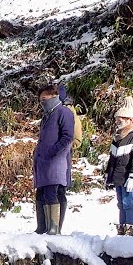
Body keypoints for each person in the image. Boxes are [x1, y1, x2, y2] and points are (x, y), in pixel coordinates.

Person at [34, 84, 75, 235]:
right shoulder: (46, 116)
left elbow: (68, 137)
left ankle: (54, 228)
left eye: (44, 98)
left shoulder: (63, 112)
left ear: (54, 96)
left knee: (54, 192)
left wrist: (53, 152)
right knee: (42, 193)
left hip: (57, 161)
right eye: (40, 100)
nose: (42, 102)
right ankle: (43, 226)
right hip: (43, 161)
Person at [107, 96, 133, 236]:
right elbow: (112, 160)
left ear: (131, 120)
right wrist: (109, 176)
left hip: (129, 176)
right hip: (119, 176)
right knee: (120, 203)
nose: (118, 121)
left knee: (128, 202)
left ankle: (130, 227)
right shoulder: (118, 136)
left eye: (122, 119)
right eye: (118, 119)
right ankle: (122, 227)